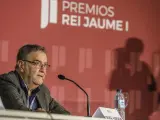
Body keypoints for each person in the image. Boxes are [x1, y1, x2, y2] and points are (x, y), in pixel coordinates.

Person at [0, 44, 70, 114]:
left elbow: (65, 114)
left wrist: (47, 115)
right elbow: (19, 112)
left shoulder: (43, 90)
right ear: (22, 66)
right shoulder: (7, 81)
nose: (43, 70)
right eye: (37, 63)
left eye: (45, 65)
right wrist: (41, 116)